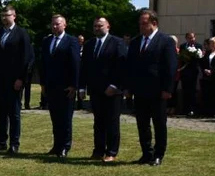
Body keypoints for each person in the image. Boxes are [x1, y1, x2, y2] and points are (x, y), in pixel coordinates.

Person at [126, 9, 177, 166]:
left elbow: (170, 67)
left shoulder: (165, 41)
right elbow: (130, 66)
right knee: (142, 123)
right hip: (140, 90)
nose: (141, 26)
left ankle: (158, 154)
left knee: (159, 123)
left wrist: (168, 89)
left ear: (154, 23)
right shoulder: (135, 42)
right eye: (140, 23)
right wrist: (129, 87)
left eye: (144, 23)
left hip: (158, 91)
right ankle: (146, 153)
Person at [0, 5, 34, 155]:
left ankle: (14, 143)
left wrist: (21, 79)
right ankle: (1, 142)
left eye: (7, 15)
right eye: (2, 16)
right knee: (1, 113)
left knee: (14, 113)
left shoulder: (22, 34)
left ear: (14, 16)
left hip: (15, 81)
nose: (4, 18)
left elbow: (27, 58)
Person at [81, 17, 126, 162]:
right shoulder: (89, 44)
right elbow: (84, 68)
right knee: (98, 122)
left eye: (100, 25)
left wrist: (114, 85)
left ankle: (111, 151)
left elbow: (121, 66)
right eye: (95, 26)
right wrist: (82, 87)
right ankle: (98, 150)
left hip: (112, 90)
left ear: (108, 26)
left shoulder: (117, 43)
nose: (97, 28)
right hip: (95, 89)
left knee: (112, 121)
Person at [40, 15, 79, 158]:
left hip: (66, 87)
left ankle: (65, 146)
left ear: (64, 25)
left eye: (57, 24)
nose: (55, 26)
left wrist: (74, 85)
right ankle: (56, 145)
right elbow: (43, 64)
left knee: (66, 118)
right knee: (55, 118)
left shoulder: (71, 41)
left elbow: (75, 64)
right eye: (53, 24)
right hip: (51, 86)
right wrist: (43, 84)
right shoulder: (47, 41)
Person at [200, 37, 215, 117]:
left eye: (211, 43)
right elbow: (202, 63)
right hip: (207, 77)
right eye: (210, 43)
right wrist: (204, 70)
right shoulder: (207, 52)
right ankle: (208, 111)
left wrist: (212, 71)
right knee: (207, 94)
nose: (210, 45)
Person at [180, 32, 202, 117]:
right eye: (189, 38)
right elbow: (181, 57)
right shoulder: (183, 46)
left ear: (195, 38)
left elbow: (199, 58)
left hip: (193, 71)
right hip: (185, 71)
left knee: (192, 90)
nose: (191, 39)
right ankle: (185, 109)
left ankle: (192, 109)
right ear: (186, 38)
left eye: (192, 37)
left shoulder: (198, 46)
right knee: (185, 90)